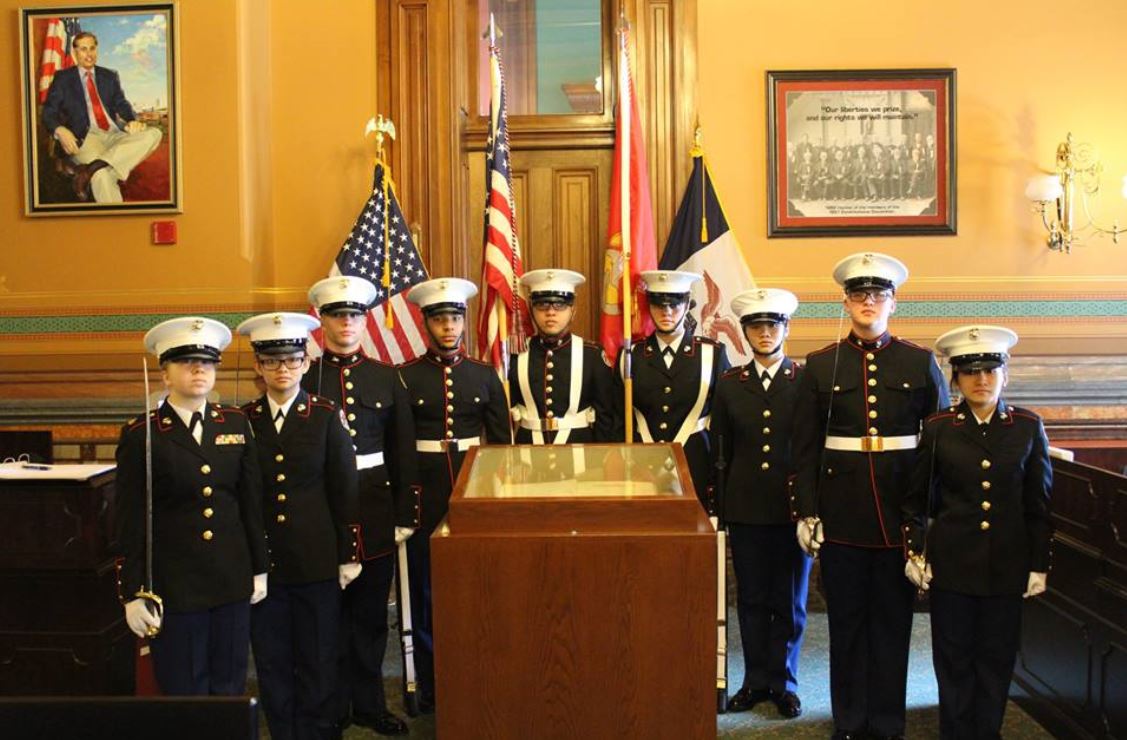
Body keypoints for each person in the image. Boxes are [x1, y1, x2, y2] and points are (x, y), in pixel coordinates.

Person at [791, 252, 949, 740]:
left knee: (892, 628)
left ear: (893, 303)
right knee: (847, 627)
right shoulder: (818, 366)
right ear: (846, 301)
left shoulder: (919, 362)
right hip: (842, 518)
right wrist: (807, 511)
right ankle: (848, 722)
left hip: (900, 515)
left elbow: (940, 444)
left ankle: (886, 724)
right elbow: (803, 447)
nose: (868, 302)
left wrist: (927, 520)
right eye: (859, 295)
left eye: (878, 295)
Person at [901, 325, 1052, 740]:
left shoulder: (1026, 427)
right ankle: (955, 731)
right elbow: (916, 499)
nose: (981, 380)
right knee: (953, 657)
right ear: (956, 378)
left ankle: (987, 732)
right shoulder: (938, 428)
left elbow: (1038, 505)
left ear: (1005, 374)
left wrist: (1039, 564)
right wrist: (915, 551)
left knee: (996, 657)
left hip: (1007, 566)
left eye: (990, 370)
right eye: (970, 372)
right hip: (953, 567)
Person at [113, 317, 268, 695]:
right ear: (165, 374)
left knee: (229, 683)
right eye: (186, 362)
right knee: (186, 688)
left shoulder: (235, 422)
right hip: (176, 585)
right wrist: (132, 590)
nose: (199, 369)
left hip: (231, 581)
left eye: (208, 362)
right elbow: (130, 518)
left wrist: (259, 569)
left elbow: (250, 502)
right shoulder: (142, 434)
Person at [236, 312, 361, 740]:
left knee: (318, 658)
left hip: (317, 561)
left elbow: (345, 490)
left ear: (307, 363)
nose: (282, 369)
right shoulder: (243, 420)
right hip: (266, 563)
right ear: (258, 366)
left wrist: (348, 553)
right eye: (272, 362)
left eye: (291, 360)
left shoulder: (326, 416)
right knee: (271, 660)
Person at [304, 276, 414, 735]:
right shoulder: (306, 377)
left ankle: (369, 704)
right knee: (325, 618)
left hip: (373, 510)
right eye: (336, 315)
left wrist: (406, 514)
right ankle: (331, 706)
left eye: (353, 315)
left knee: (369, 617)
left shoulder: (387, 378)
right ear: (322, 320)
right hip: (321, 515)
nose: (346, 323)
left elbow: (402, 450)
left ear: (365, 319)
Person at [398, 277, 511, 711]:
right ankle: (430, 680)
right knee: (426, 587)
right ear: (426, 323)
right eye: (439, 319)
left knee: (477, 582)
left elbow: (501, 446)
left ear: (464, 322)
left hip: (473, 487)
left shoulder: (483, 375)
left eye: (454, 318)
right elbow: (399, 446)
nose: (448, 327)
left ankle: (481, 667)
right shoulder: (405, 378)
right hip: (425, 491)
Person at [712, 288, 810, 719]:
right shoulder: (731, 384)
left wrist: (813, 507)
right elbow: (722, 449)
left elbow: (812, 449)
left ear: (786, 328)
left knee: (789, 600)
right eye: (756, 327)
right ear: (744, 333)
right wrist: (720, 506)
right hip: (747, 507)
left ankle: (784, 682)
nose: (765, 333)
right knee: (751, 598)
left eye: (773, 325)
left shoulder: (805, 381)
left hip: (791, 510)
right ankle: (754, 680)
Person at [613, 269, 730, 512]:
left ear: (687, 305)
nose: (666, 312)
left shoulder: (712, 354)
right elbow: (616, 416)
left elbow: (723, 419)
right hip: (641, 466)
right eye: (658, 305)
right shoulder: (630, 355)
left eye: (675, 304)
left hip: (696, 462)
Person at [41, 31, 162, 203]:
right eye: (83, 49)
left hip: (114, 134)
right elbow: (49, 112)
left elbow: (122, 104)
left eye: (92, 48)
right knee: (102, 177)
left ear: (97, 50)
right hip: (85, 138)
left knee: (154, 133)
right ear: (75, 52)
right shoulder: (63, 78)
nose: (89, 54)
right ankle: (115, 223)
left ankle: (90, 169)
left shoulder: (109, 76)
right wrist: (60, 130)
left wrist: (132, 120)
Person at [509, 268, 615, 445]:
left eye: (560, 305)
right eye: (542, 304)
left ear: (573, 310)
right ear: (530, 308)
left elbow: (606, 416)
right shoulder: (515, 354)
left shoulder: (592, 355)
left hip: (581, 457)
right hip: (526, 458)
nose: (551, 312)